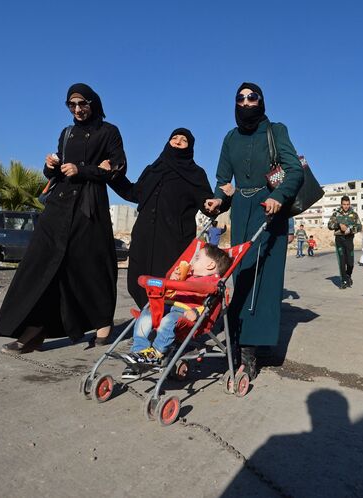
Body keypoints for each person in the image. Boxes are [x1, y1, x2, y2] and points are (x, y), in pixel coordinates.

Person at [0, 83, 126, 353]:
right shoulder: (66, 133)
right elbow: (55, 175)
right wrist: (50, 166)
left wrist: (84, 170)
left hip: (90, 208)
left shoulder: (108, 132)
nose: (77, 110)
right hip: (59, 206)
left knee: (91, 266)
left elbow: (118, 168)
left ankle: (102, 323)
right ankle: (32, 332)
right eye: (71, 105)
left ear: (93, 103)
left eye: (82, 104)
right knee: (41, 265)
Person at [204, 82, 304, 379]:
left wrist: (278, 196)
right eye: (240, 98)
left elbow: (294, 170)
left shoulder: (276, 130)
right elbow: (223, 181)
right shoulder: (230, 138)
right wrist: (217, 200)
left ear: (261, 101)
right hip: (242, 212)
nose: (246, 102)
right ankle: (239, 337)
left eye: (252, 97)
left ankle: (251, 346)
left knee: (266, 279)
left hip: (271, 210)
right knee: (243, 275)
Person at [104, 128, 213, 309]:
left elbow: (206, 201)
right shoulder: (153, 169)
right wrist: (111, 176)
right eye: (174, 138)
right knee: (138, 282)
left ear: (190, 147)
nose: (177, 142)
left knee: (168, 285)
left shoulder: (196, 174)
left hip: (173, 241)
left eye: (183, 140)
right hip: (144, 237)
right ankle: (150, 319)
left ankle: (167, 325)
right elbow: (134, 193)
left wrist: (214, 204)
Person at [120, 245, 232, 378]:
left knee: (170, 319)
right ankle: (139, 353)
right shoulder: (188, 276)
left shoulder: (213, 282)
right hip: (168, 305)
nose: (191, 262)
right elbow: (171, 293)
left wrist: (197, 312)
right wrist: (174, 280)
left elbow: (210, 305)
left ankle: (156, 354)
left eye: (197, 258)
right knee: (145, 315)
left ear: (210, 265)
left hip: (185, 313)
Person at [328, 196, 362, 288]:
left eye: (347, 204)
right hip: (339, 240)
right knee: (342, 262)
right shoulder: (336, 214)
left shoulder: (354, 214)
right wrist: (339, 225)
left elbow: (359, 227)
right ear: (341, 204)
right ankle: (343, 281)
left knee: (350, 262)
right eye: (344, 204)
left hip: (349, 239)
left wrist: (350, 229)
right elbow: (329, 225)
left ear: (349, 204)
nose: (346, 206)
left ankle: (348, 275)